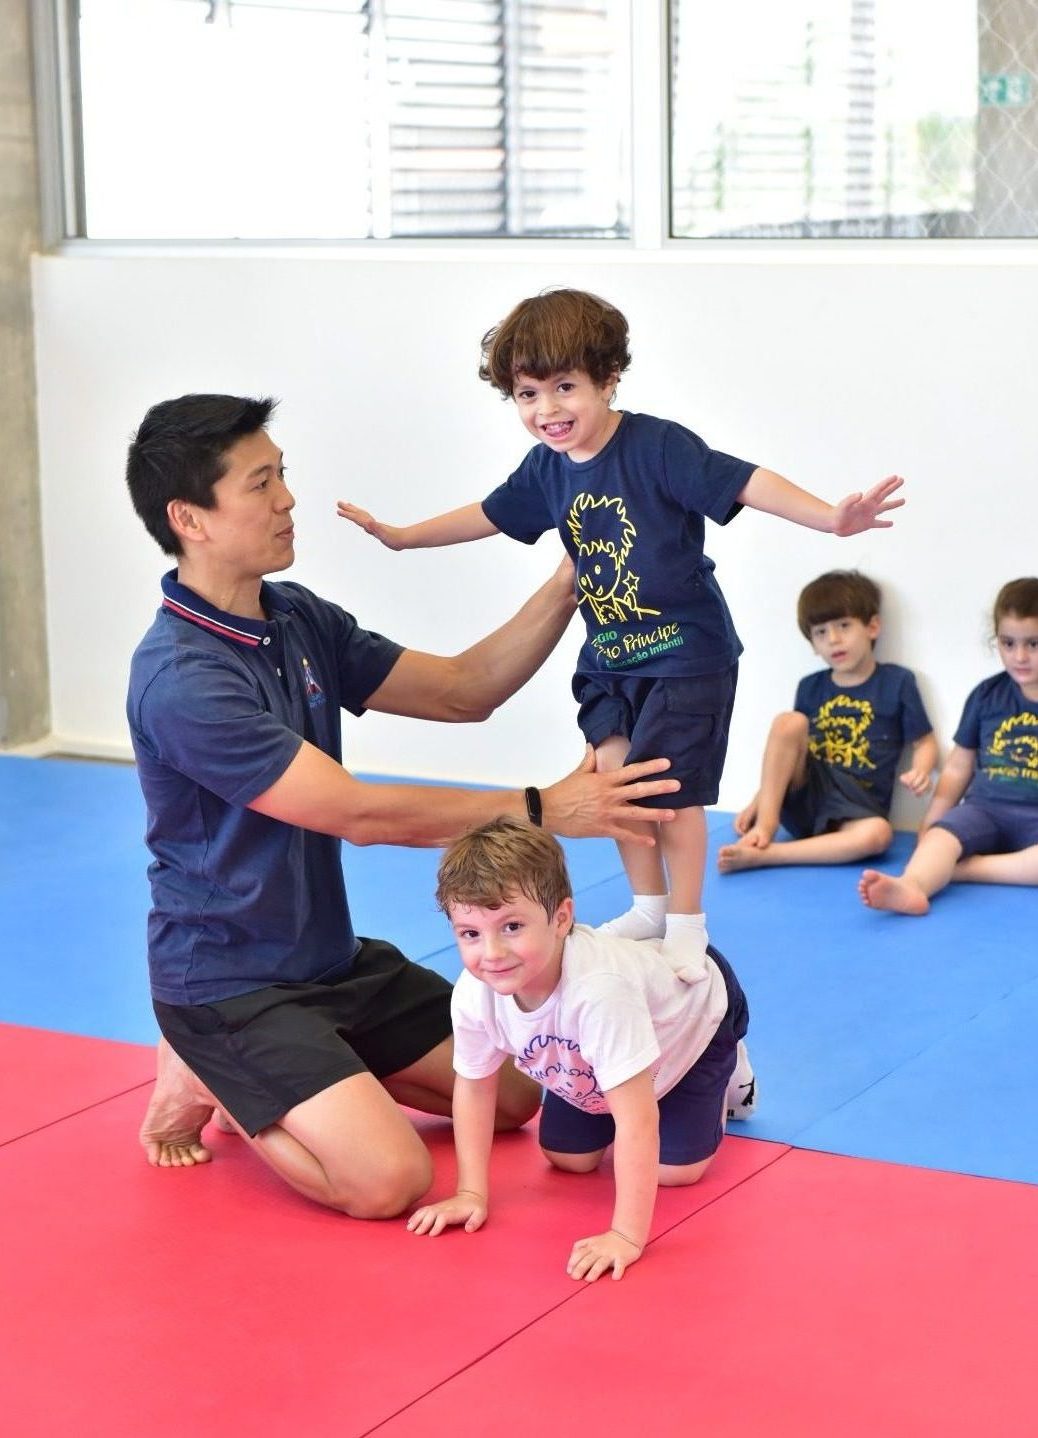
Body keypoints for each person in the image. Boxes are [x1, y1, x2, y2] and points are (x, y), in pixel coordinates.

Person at [125, 392, 683, 1219]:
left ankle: (307, 1069)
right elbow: (360, 815)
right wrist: (544, 807)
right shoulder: (183, 678)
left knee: (518, 1099)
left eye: (283, 476)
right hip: (228, 983)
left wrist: (574, 573)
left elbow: (465, 690)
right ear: (191, 518)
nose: (286, 500)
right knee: (388, 1182)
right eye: (260, 483)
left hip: (327, 961)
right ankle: (217, 1071)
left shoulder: (294, 616)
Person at [338, 288, 904, 977]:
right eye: (527, 394)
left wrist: (829, 519)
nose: (547, 410)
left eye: (566, 387)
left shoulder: (657, 447)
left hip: (685, 655)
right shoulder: (547, 467)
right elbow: (490, 513)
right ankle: (649, 904)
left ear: (608, 381)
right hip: (609, 655)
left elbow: (747, 481)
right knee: (613, 780)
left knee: (670, 796)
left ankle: (688, 924)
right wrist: (404, 539)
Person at [405, 816, 754, 1282]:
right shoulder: (475, 991)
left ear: (562, 918)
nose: (491, 952)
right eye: (470, 933)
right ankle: (619, 1065)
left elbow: (637, 1118)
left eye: (512, 926)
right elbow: (473, 1087)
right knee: (567, 1158)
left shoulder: (598, 991)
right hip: (601, 1046)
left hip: (693, 1013)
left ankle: (733, 1072)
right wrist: (471, 1191)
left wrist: (626, 1235)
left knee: (675, 1172)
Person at [718, 570, 937, 873]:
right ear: (812, 643)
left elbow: (924, 741)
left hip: (857, 807)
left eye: (844, 626)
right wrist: (760, 801)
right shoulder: (811, 686)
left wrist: (921, 770)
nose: (833, 639)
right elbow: (788, 753)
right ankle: (765, 828)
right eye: (821, 632)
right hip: (808, 794)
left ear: (872, 626)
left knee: (878, 835)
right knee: (788, 723)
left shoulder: (897, 682)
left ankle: (769, 855)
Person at [860, 577, 1038, 915]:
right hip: (986, 809)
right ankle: (912, 886)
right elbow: (958, 767)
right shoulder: (987, 696)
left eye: (1034, 644)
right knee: (941, 839)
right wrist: (932, 822)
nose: (1020, 656)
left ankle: (966, 870)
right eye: (1008, 643)